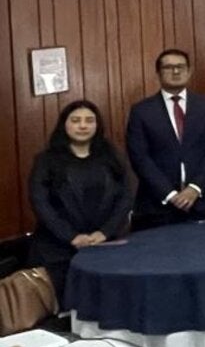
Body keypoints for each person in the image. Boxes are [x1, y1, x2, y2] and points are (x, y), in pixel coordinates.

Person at [29, 100, 133, 305]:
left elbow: (126, 196)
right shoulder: (47, 160)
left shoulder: (111, 155)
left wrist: (105, 232)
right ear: (64, 124)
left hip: (104, 243)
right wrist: (72, 237)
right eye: (76, 120)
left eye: (89, 121)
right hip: (58, 249)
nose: (83, 126)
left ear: (97, 125)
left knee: (108, 303)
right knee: (68, 309)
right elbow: (40, 202)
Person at [126, 48, 205, 230]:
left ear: (189, 71)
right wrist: (170, 194)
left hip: (203, 204)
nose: (176, 71)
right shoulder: (141, 111)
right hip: (158, 207)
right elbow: (139, 158)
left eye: (181, 67)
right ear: (158, 73)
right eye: (169, 67)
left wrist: (194, 188)